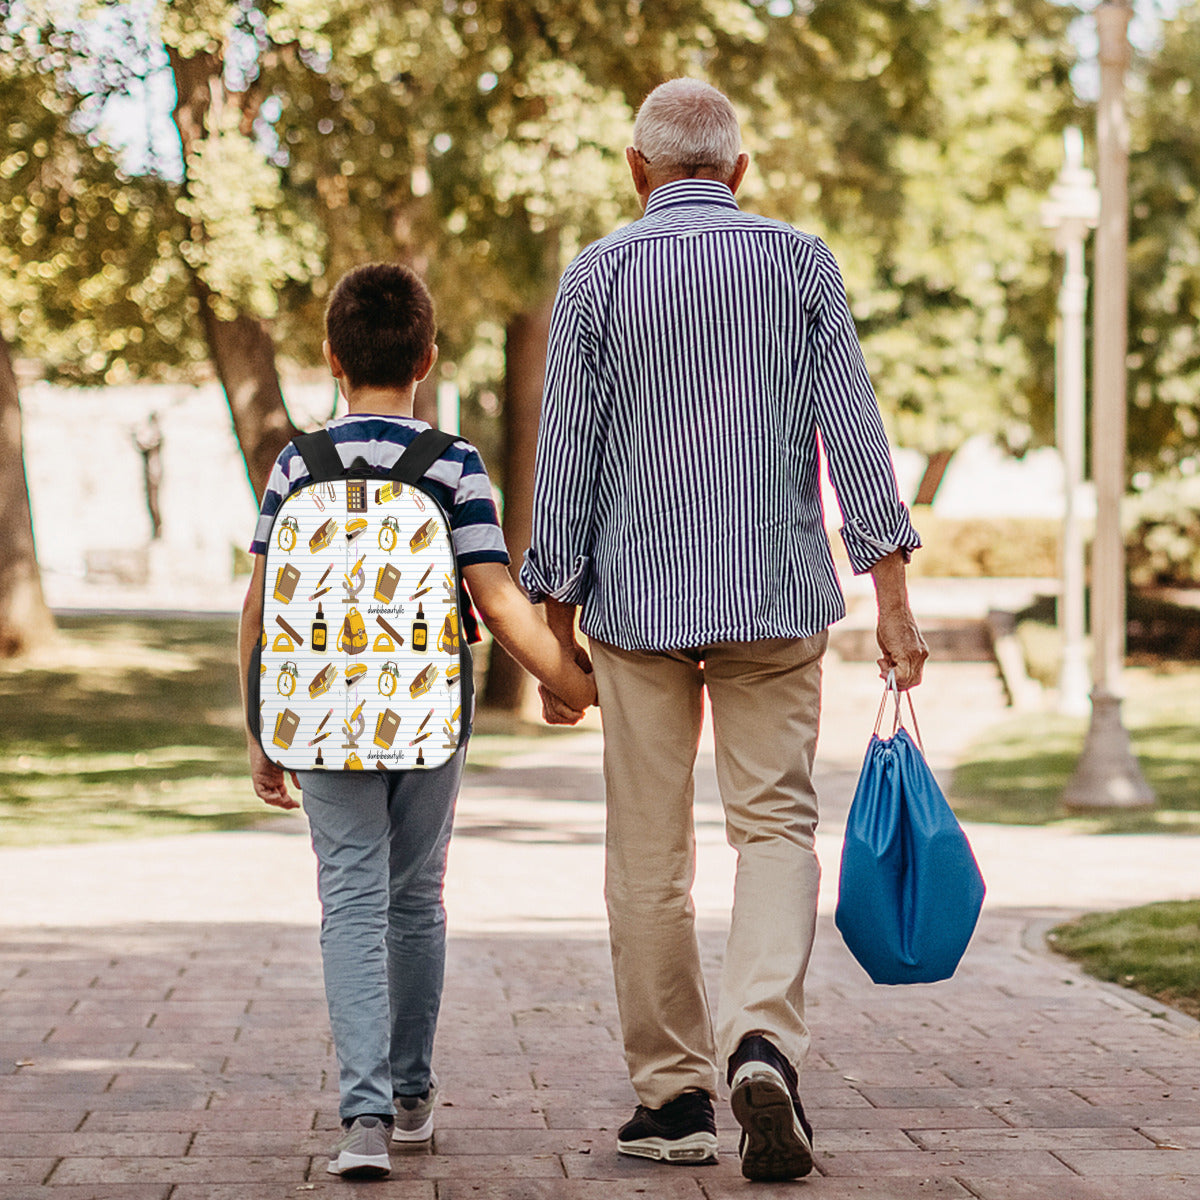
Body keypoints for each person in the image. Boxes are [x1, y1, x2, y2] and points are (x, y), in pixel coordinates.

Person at [520, 79, 928, 1182]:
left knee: (648, 857)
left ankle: (675, 1102)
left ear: (635, 168)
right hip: (773, 595)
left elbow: (566, 466)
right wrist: (890, 593)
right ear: (738, 172)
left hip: (638, 610)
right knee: (776, 831)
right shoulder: (801, 262)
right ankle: (763, 1043)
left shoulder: (598, 275)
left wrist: (555, 634)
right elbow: (855, 426)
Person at [237, 263, 596, 1181]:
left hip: (318, 715)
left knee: (349, 901)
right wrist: (580, 684)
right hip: (427, 713)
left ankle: (359, 1123)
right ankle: (409, 1099)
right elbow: (499, 601)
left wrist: (258, 725)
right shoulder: (451, 465)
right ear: (428, 359)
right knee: (415, 898)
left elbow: (259, 605)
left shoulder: (295, 465)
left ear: (331, 357)